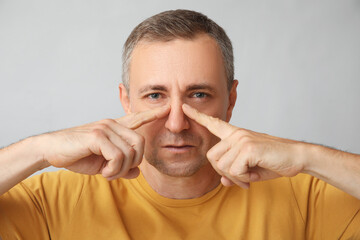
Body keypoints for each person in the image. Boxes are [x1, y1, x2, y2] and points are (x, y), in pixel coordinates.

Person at [0, 9, 359, 239]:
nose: (176, 123)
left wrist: (306, 155)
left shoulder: (304, 195)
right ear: (126, 101)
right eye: (155, 96)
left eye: (198, 95)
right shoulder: (54, 201)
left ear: (231, 100)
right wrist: (38, 149)